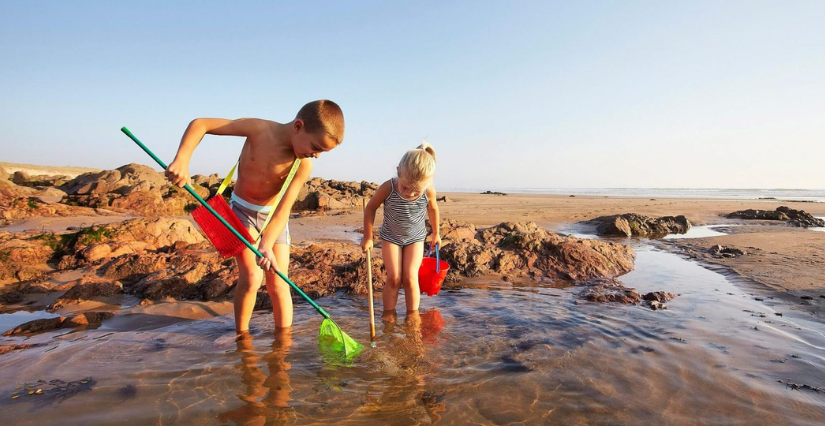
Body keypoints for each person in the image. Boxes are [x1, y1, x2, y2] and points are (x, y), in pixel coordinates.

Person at [165, 100, 345, 333]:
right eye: (317, 147)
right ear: (298, 127)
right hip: (241, 212)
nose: (317, 156)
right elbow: (201, 124)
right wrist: (182, 160)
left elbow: (283, 210)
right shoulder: (259, 130)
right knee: (251, 277)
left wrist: (267, 243)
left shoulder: (302, 165)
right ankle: (243, 338)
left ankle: (283, 344)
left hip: (274, 221)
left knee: (279, 284)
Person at [361, 142, 441, 315]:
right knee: (394, 278)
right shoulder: (388, 187)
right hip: (391, 237)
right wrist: (368, 237)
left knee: (411, 278)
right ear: (398, 172)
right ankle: (388, 315)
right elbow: (370, 208)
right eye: (405, 187)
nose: (410, 194)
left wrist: (436, 233)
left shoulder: (428, 191)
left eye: (416, 191)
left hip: (415, 239)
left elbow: (433, 209)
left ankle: (413, 317)